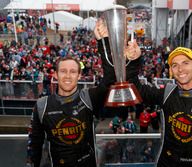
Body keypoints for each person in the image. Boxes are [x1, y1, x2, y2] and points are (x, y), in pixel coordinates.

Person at [26, 19, 141, 167]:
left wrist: (102, 41)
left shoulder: (88, 98)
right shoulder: (42, 105)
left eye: (73, 72)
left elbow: (110, 77)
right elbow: (33, 145)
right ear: (55, 75)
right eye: (63, 71)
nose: (68, 76)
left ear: (80, 76)